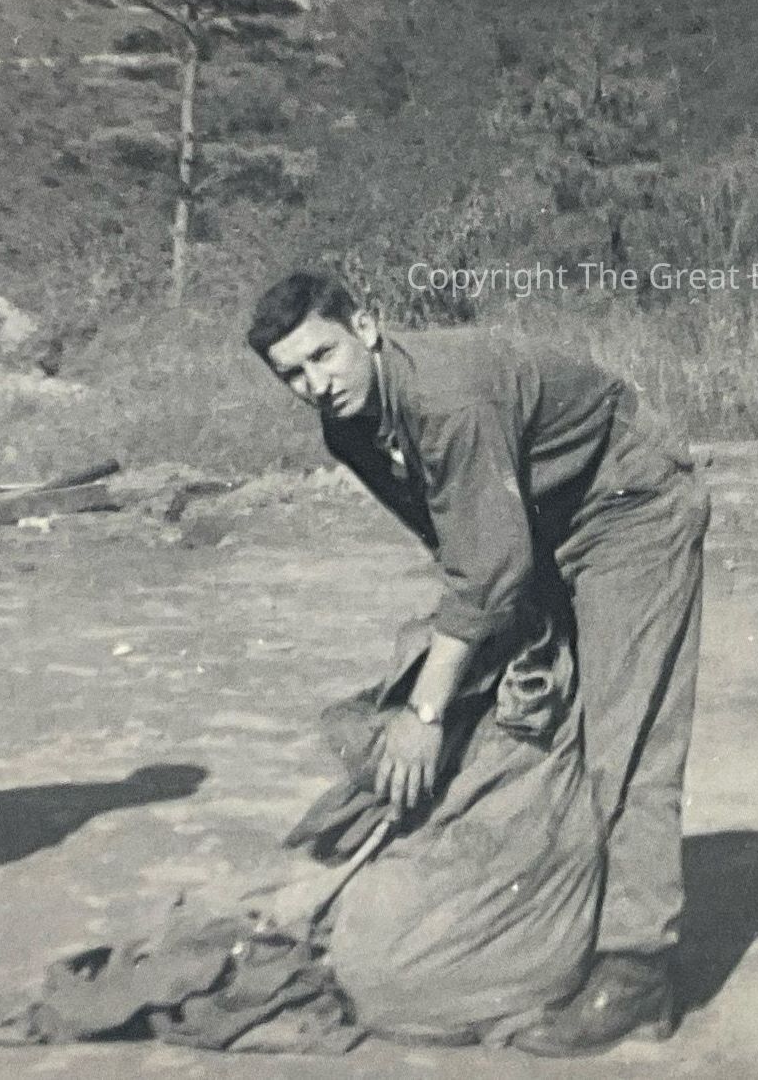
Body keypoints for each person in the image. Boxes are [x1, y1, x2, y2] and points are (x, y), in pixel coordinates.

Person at [246, 270, 710, 1056]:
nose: (315, 384)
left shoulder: (449, 397)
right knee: (527, 704)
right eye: (292, 373)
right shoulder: (348, 428)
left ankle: (636, 968)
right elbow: (457, 544)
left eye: (324, 355)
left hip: (629, 503)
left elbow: (487, 568)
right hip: (536, 520)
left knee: (625, 730)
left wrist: (425, 712)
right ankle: (558, 914)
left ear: (367, 326)